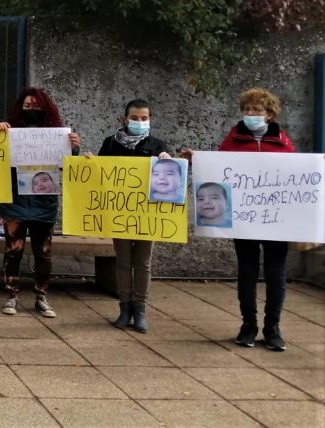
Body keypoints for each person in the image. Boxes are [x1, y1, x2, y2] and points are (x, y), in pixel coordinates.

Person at [186, 87, 295, 351]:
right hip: (244, 219)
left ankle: (272, 328)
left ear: (269, 114)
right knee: (247, 272)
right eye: (247, 109)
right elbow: (217, 169)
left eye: (257, 110)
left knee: (275, 274)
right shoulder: (232, 140)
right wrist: (196, 159)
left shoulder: (283, 142)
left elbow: (295, 178)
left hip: (275, 221)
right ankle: (248, 326)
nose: (251, 114)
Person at [0, 87, 80, 318]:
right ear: (20, 108)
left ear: (46, 108)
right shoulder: (9, 131)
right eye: (27, 106)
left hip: (44, 202)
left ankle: (41, 296)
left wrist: (73, 148)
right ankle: (11, 295)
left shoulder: (58, 135)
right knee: (13, 250)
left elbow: (68, 166)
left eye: (36, 106)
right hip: (15, 201)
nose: (32, 110)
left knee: (43, 253)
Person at [92, 98, 171, 333]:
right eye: (134, 118)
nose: (139, 122)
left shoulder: (158, 145)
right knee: (123, 261)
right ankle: (124, 307)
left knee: (143, 262)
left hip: (147, 214)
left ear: (150, 120)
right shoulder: (110, 144)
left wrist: (168, 162)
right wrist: (88, 163)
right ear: (124, 119)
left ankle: (140, 309)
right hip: (120, 213)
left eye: (144, 118)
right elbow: (98, 173)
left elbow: (169, 180)